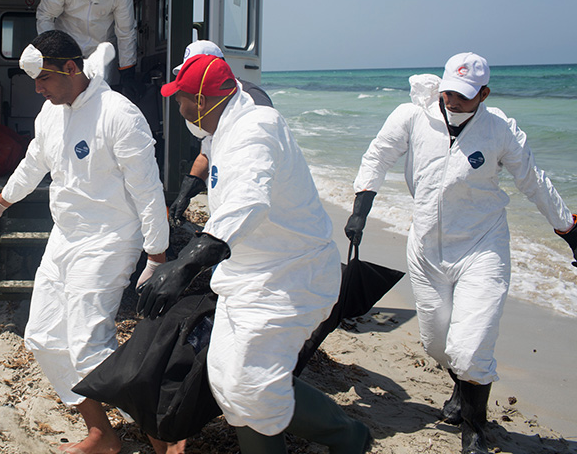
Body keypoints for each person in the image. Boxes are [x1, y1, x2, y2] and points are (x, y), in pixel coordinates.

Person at [344, 52, 577, 454]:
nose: (452, 101)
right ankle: (461, 385)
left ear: (484, 93)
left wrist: (569, 231)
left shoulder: (499, 130)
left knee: (470, 350)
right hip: (426, 250)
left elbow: (533, 181)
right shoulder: (412, 117)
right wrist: (360, 209)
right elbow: (378, 155)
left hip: (481, 248)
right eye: (449, 91)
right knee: (439, 345)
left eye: (465, 96)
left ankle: (474, 431)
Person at [139, 54, 371, 454]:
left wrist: (185, 264)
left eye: (181, 99)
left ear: (203, 100)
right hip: (246, 274)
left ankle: (346, 436)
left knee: (251, 385)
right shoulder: (222, 130)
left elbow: (249, 202)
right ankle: (347, 434)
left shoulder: (256, 130)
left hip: (291, 277)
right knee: (229, 380)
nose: (177, 107)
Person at [0, 30, 175, 454]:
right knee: (44, 338)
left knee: (88, 344)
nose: (37, 89)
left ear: (71, 68)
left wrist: (157, 254)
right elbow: (32, 164)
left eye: (43, 79)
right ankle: (102, 433)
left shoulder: (119, 115)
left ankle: (166, 440)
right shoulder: (50, 113)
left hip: (110, 239)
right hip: (64, 238)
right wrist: (0, 204)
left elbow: (148, 190)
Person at [167, 40, 274, 232]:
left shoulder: (252, 102)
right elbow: (206, 152)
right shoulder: (209, 105)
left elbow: (255, 178)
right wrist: (186, 192)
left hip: (258, 221)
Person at [36, 0, 140, 101]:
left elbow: (126, 33)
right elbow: (45, 17)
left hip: (100, 51)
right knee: (63, 97)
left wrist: (128, 73)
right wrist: (53, 54)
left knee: (98, 99)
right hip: (66, 50)